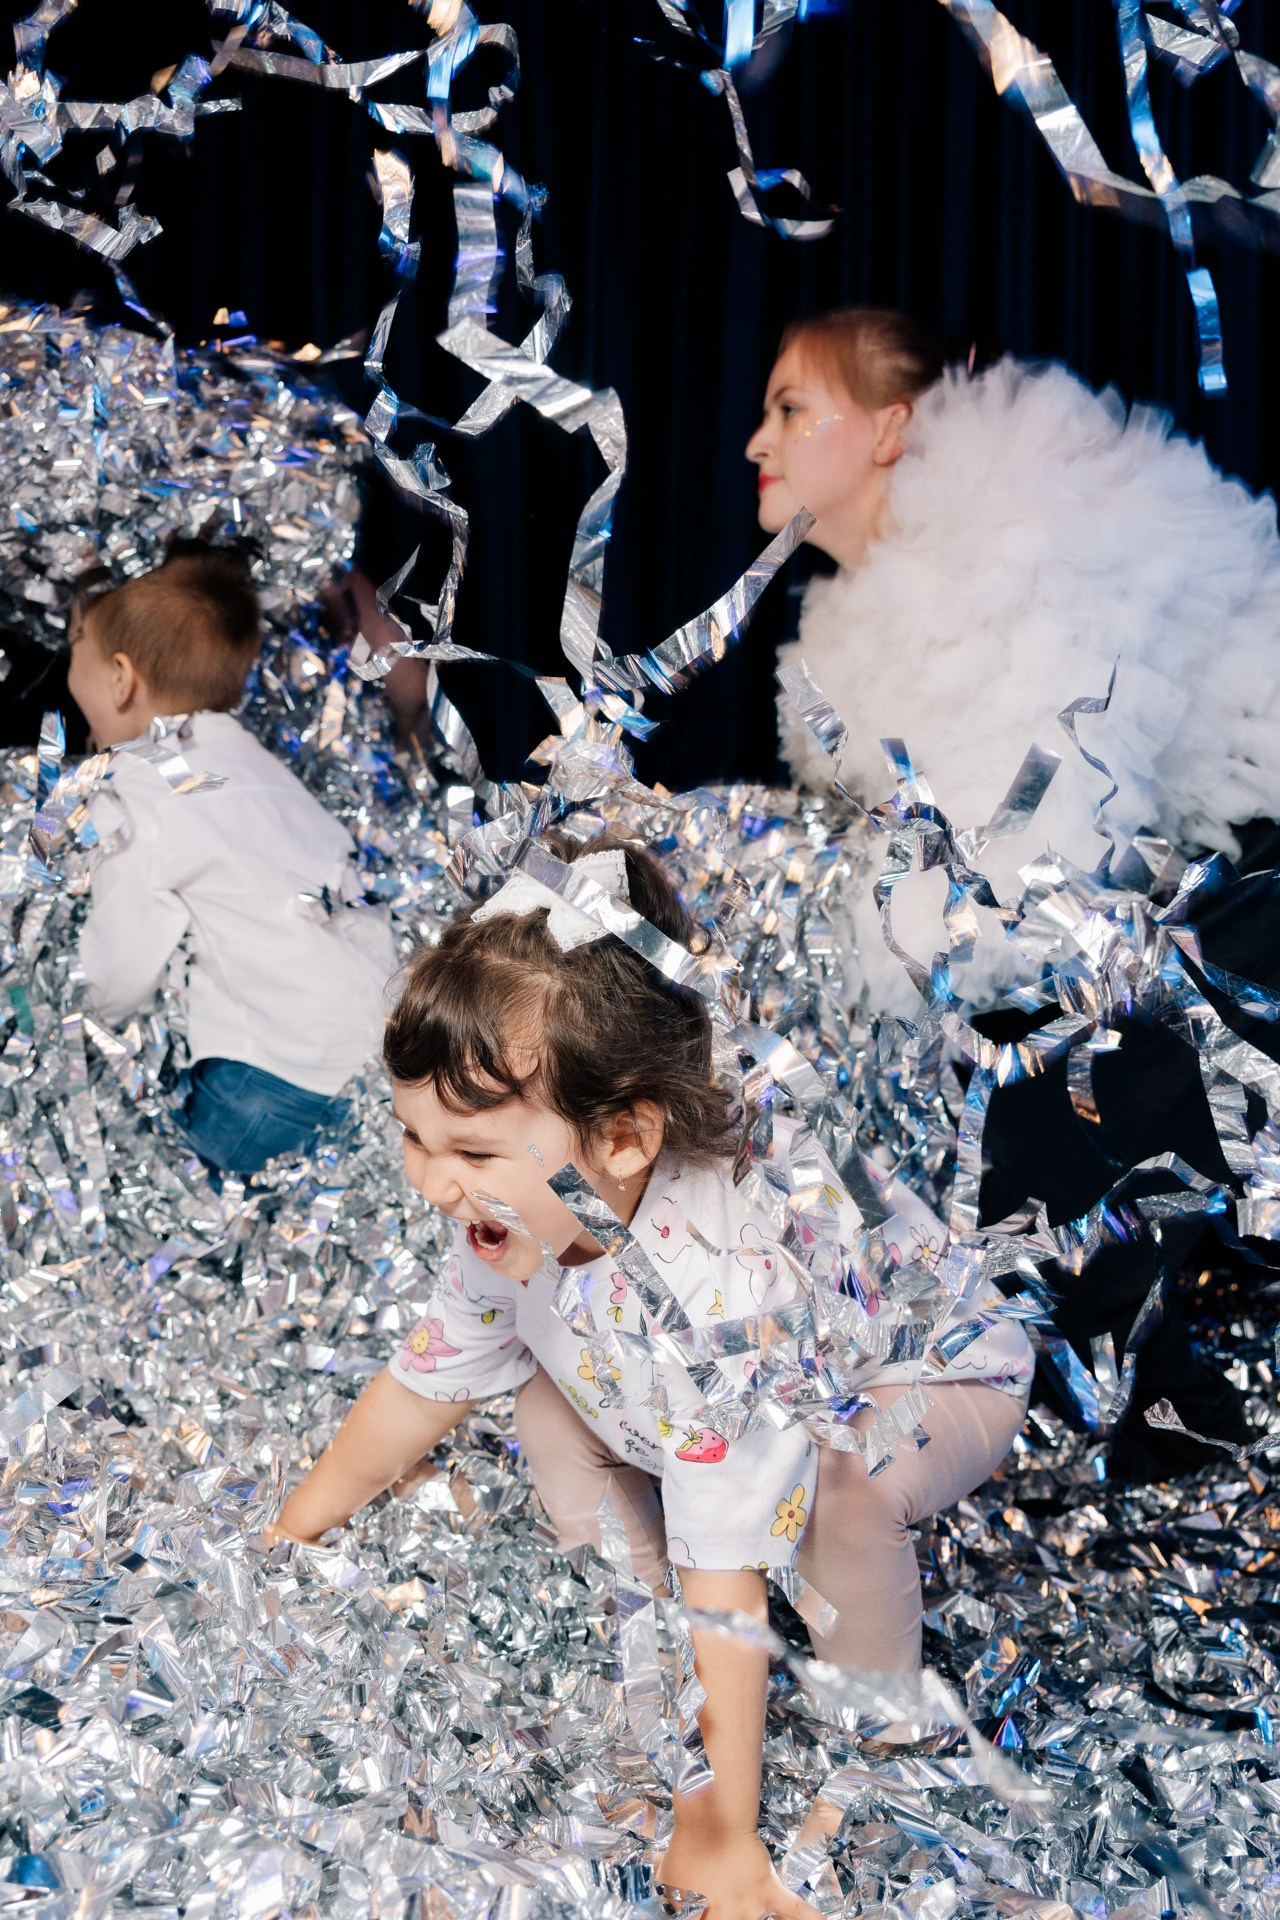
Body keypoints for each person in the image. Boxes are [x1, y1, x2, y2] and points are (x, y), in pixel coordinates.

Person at [267, 829, 1032, 1920]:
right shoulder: (510, 1218)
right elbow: (422, 1386)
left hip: (930, 1376)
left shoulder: (724, 1289)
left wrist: (719, 1832)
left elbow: (731, 1585)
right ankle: (641, 1626)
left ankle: (885, 1738)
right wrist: (291, 1532)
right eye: (413, 1138)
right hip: (674, 1390)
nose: (432, 1183)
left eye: (470, 1153)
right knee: (540, 1396)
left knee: (839, 1494)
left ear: (621, 1141)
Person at [747, 309, 1280, 1472]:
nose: (755, 441)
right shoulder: (860, 613)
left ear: (889, 429)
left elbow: (1027, 875)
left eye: (790, 409)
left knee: (1035, 1133)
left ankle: (1128, 1452)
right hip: (1157, 914)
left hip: (1252, 898)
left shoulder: (1008, 539)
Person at [69, 544, 397, 1176]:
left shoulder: (142, 783)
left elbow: (120, 969)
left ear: (120, 679)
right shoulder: (254, 767)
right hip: (371, 1060)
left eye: (72, 659)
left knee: (180, 1181)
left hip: (267, 1081)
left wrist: (73, 1011)